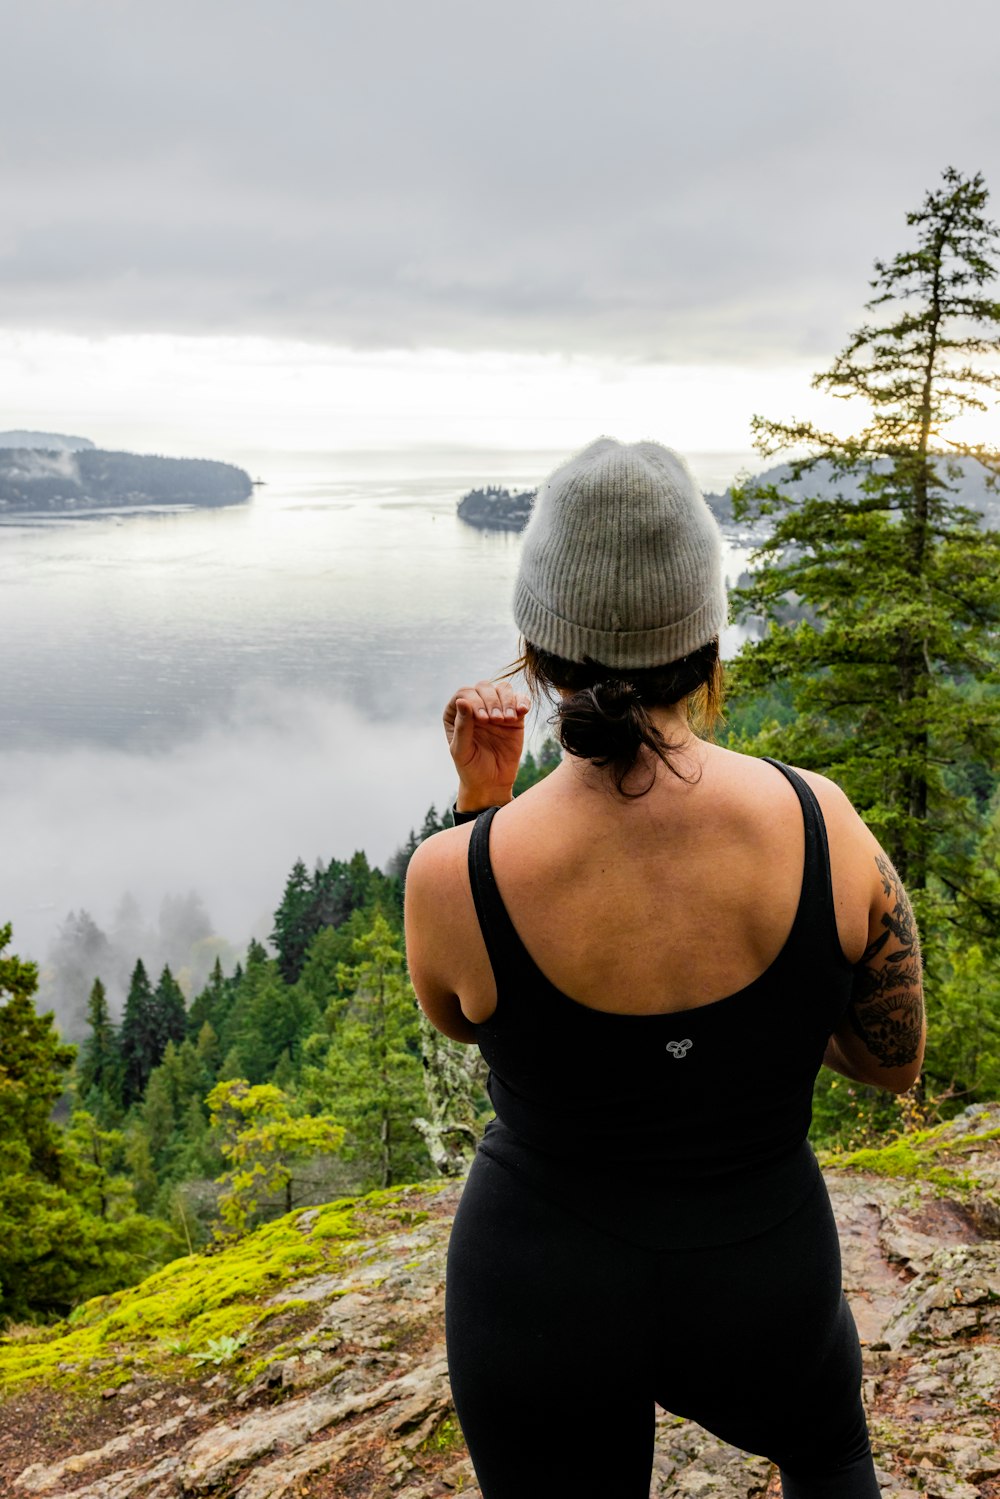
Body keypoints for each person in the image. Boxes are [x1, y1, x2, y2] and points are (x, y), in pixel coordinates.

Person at [403, 438, 925, 1499]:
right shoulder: (825, 825)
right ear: (707, 639)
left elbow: (468, 1019)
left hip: (539, 1286)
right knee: (829, 1457)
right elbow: (889, 1061)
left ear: (536, 650)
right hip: (762, 1267)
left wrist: (483, 809)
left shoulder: (454, 874)